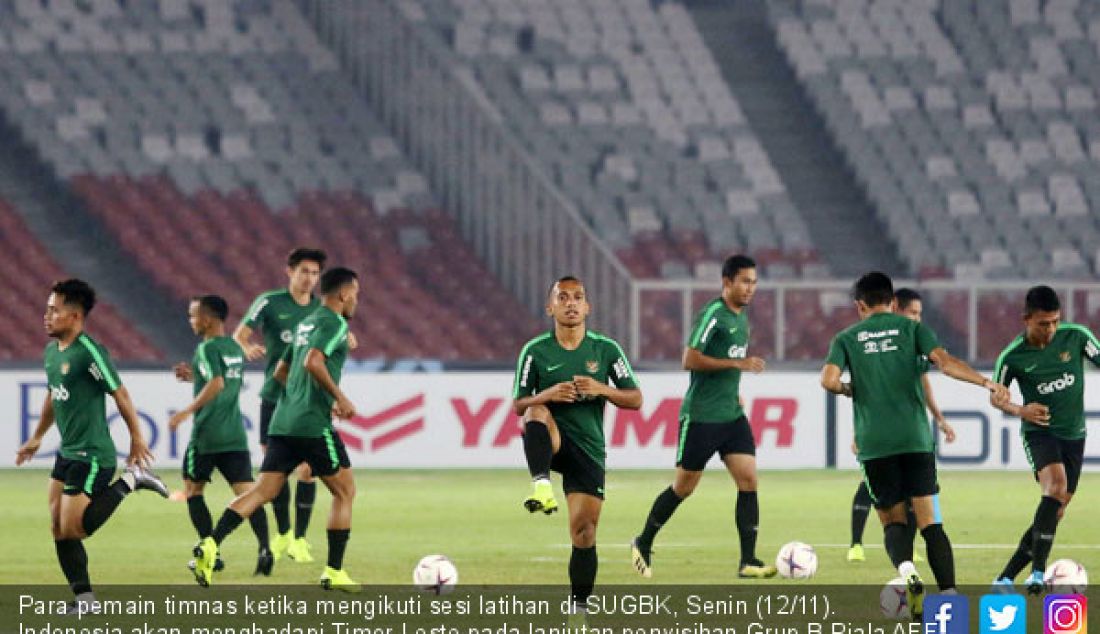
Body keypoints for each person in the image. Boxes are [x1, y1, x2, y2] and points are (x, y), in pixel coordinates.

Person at [820, 272, 1008, 619]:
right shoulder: (912, 330)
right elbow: (946, 363)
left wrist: (850, 389)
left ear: (860, 305)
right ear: (893, 302)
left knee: (893, 522)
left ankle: (907, 571)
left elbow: (828, 380)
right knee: (931, 523)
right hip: (915, 440)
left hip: (875, 444)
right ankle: (949, 596)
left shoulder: (845, 338)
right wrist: (986, 382)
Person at [194, 268, 360, 591]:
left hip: (282, 422)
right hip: (312, 425)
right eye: (355, 293)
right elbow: (314, 362)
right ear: (343, 294)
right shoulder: (334, 323)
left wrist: (304, 397)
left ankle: (211, 544)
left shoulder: (305, 323)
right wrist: (338, 398)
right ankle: (334, 571)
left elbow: (282, 371)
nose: (356, 300)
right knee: (345, 492)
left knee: (262, 492)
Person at [16, 279, 168, 614]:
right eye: (47, 308)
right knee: (57, 527)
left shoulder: (89, 351)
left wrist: (138, 438)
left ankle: (132, 480)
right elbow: (54, 396)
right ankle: (85, 600)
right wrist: (37, 436)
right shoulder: (52, 352)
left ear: (73, 317)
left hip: (93, 455)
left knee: (76, 528)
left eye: (54, 310)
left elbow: (121, 394)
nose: (46, 316)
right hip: (66, 452)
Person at [631, 254, 775, 579]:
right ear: (727, 283)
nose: (751, 288)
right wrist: (736, 365)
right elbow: (689, 358)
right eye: (744, 281)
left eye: (754, 282)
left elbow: (724, 362)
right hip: (701, 417)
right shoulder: (714, 314)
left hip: (731, 415)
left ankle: (748, 560)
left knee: (749, 479)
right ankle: (643, 541)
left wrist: (734, 388)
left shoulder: (741, 318)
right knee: (684, 487)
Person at [514, 276, 641, 623]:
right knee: (535, 412)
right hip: (552, 437)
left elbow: (635, 398)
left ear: (587, 307)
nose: (571, 303)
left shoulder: (606, 350)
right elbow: (519, 404)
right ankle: (542, 486)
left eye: (578, 298)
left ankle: (579, 608)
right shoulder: (535, 351)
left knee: (584, 532)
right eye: (563, 297)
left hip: (588, 448)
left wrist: (601, 388)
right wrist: (548, 395)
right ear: (550, 307)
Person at [990, 285, 1099, 594]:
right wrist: (1021, 410)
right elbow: (997, 398)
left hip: (1074, 434)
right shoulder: (1012, 356)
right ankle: (1038, 574)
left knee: (1056, 509)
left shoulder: (1076, 336)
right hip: (1040, 432)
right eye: (1043, 323)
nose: (1050, 329)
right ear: (1026, 319)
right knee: (1055, 486)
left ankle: (1004, 578)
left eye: (1054, 321)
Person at [847, 288, 956, 563]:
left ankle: (905, 558)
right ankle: (856, 543)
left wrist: (939, 418)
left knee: (906, 500)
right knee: (872, 489)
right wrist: (856, 432)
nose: (917, 319)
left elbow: (923, 384)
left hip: (904, 437)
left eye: (920, 314)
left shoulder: (912, 342)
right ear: (896, 309)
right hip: (883, 437)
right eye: (913, 313)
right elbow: (869, 390)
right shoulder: (877, 343)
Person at [169, 295, 272, 580]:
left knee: (193, 490)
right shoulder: (234, 348)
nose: (191, 320)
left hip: (206, 436)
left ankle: (210, 552)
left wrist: (185, 411)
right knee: (249, 495)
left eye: (194, 315)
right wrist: (195, 378)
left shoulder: (206, 348)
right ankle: (265, 548)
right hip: (234, 436)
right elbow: (222, 380)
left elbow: (217, 382)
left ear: (209, 319)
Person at [234, 247, 325, 563]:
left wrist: (348, 340)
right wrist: (246, 346)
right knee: (275, 473)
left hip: (305, 401)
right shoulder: (270, 302)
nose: (309, 279)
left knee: (308, 469)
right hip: (274, 396)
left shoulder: (320, 311)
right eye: (304, 272)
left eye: (315, 273)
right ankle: (284, 532)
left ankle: (300, 539)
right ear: (290, 272)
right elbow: (240, 334)